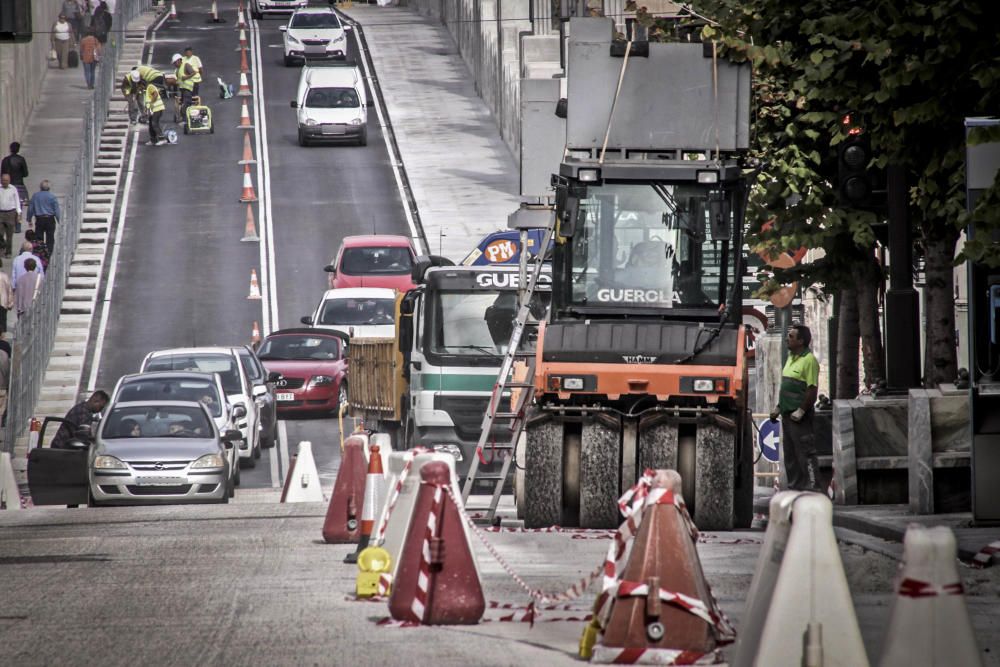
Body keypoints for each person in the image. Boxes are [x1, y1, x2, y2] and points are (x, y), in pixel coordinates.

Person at [770, 324, 822, 492]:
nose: (787, 339)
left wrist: (801, 410)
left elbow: (812, 389)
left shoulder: (809, 360)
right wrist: (779, 408)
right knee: (790, 456)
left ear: (801, 341)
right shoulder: (791, 358)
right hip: (787, 416)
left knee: (806, 454)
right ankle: (795, 488)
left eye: (791, 336)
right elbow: (787, 388)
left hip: (800, 418)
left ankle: (813, 488)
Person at [26, 180, 61, 251]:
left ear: (40, 187)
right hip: (50, 219)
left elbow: (30, 209)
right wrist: (59, 221)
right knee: (50, 238)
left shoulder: (35, 196)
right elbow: (57, 211)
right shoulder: (52, 197)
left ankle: (40, 253)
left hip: (39, 219)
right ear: (49, 188)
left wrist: (29, 219)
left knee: (39, 238)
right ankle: (49, 254)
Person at [1, 142, 29, 208]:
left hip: (7, 184)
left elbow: (2, 174)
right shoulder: (21, 159)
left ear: (10, 149)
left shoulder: (5, 160)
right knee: (20, 202)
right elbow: (26, 174)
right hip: (19, 184)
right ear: (18, 149)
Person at [0, 174, 21, 257]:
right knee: (0, 234)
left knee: (9, 235)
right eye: (3, 180)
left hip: (10, 213)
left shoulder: (13, 189)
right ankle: (1, 249)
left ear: (9, 180)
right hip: (0, 213)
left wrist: (19, 213)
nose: (4, 182)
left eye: (6, 180)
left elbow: (17, 201)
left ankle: (8, 252)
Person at [172, 53, 197, 118]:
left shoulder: (186, 65)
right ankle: (185, 117)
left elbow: (194, 72)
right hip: (183, 90)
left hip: (188, 89)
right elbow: (179, 80)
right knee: (183, 102)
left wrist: (186, 77)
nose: (174, 65)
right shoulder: (177, 70)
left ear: (179, 60)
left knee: (186, 104)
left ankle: (186, 118)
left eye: (175, 63)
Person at [0, 259, 12, 333]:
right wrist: (10, 303)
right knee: (3, 320)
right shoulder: (5, 276)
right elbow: (9, 290)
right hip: (2, 302)